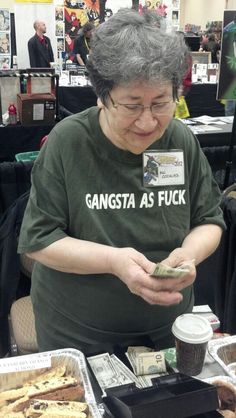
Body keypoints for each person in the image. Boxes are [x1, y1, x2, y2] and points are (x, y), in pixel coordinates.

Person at [18, 8, 225, 356]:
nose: (148, 122)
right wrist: (114, 262)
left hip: (168, 329)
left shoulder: (178, 139)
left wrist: (188, 255)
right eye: (131, 106)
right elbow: (39, 241)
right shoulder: (69, 143)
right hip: (78, 333)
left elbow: (209, 220)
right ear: (101, 96)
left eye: (161, 103)